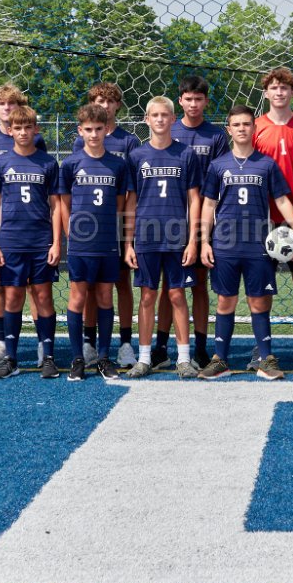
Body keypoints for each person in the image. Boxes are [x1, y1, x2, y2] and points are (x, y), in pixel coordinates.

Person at [198, 105, 293, 380]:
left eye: (247, 124)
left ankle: (265, 359)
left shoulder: (266, 164)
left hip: (258, 246)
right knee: (225, 302)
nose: (242, 129)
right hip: (225, 245)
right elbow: (208, 205)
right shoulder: (218, 165)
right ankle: (220, 360)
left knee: (259, 302)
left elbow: (282, 200)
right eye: (237, 125)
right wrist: (204, 242)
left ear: (254, 129)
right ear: (229, 130)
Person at [152, 75, 230, 369]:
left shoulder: (216, 136)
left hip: (203, 217)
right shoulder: (169, 130)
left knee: (198, 284)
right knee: (168, 287)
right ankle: (161, 348)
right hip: (169, 218)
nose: (194, 104)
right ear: (180, 101)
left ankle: (199, 348)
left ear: (206, 101)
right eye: (188, 99)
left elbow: (221, 177)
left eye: (199, 99)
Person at [124, 96, 202, 379]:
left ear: (172, 119)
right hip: (146, 238)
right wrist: (128, 243)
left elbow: (194, 200)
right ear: (147, 119)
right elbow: (131, 201)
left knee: (177, 295)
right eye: (154, 115)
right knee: (147, 296)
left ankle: (183, 358)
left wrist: (193, 240)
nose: (159, 119)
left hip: (177, 238)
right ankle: (144, 358)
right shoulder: (137, 156)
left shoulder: (186, 154)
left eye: (164, 115)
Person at [0, 83, 49, 369]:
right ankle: (0, 344)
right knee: (0, 286)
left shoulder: (35, 141)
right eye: (2, 104)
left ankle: (43, 346)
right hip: (3, 225)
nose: (7, 108)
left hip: (31, 223)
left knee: (34, 288)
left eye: (12, 103)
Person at [0, 105, 61, 380]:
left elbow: (56, 206)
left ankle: (48, 357)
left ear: (36, 129)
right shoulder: (0, 163)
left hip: (40, 241)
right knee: (13, 296)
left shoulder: (48, 163)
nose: (23, 132)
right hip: (11, 241)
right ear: (10, 130)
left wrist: (56, 242)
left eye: (28, 127)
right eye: (18, 128)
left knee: (43, 296)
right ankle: (11, 358)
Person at [252, 67, 293, 368]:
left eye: (284, 87)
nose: (279, 92)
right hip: (263, 218)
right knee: (262, 284)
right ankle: (261, 347)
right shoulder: (254, 127)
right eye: (274, 87)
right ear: (266, 93)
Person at [70, 82, 142, 370]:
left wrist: (127, 236)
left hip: (115, 228)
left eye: (110, 101)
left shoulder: (128, 142)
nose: (105, 105)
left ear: (118, 106)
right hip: (86, 233)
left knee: (120, 284)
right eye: (99, 100)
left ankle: (124, 343)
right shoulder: (80, 147)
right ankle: (87, 342)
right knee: (88, 289)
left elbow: (130, 193)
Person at [60, 103, 130, 382]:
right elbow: (64, 204)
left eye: (98, 129)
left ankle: (103, 357)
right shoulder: (71, 163)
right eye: (88, 129)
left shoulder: (118, 165)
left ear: (106, 130)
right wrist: (70, 233)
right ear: (80, 130)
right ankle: (78, 358)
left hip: (107, 242)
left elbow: (120, 205)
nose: (93, 134)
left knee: (104, 297)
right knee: (78, 297)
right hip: (80, 243)